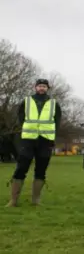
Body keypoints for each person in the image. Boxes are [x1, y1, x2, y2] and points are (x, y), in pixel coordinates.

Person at [6, 78, 62, 207]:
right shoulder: (27, 101)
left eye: (44, 86)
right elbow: (21, 117)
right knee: (22, 166)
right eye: (39, 86)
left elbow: (57, 121)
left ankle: (35, 200)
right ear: (35, 87)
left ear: (47, 88)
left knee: (41, 169)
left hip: (46, 139)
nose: (41, 88)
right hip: (28, 139)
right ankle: (13, 200)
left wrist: (52, 135)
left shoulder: (54, 103)